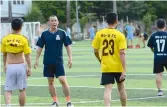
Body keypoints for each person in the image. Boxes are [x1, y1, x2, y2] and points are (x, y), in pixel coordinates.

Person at [34, 15, 74, 107]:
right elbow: (39, 48)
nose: (54, 22)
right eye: (52, 21)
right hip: (47, 62)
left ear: (58, 22)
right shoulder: (44, 34)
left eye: (55, 20)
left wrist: (70, 58)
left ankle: (69, 102)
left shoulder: (62, 33)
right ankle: (55, 102)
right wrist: (36, 60)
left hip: (58, 62)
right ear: (49, 22)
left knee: (62, 80)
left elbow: (68, 46)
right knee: (50, 82)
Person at [92, 12, 127, 107]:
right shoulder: (120, 35)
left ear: (106, 21)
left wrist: (100, 60)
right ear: (116, 21)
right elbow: (122, 53)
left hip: (106, 66)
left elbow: (95, 51)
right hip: (118, 67)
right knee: (121, 88)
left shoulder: (99, 33)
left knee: (108, 90)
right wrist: (124, 70)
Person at [1, 18, 32, 107]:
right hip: (21, 66)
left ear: (12, 26)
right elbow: (27, 55)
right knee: (22, 90)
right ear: (21, 27)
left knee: (8, 89)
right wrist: (29, 67)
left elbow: (4, 55)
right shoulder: (24, 39)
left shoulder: (5, 39)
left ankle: (8, 105)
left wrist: (4, 65)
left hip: (10, 66)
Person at [147, 18, 167, 96]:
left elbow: (150, 47)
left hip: (157, 57)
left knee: (159, 74)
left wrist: (155, 52)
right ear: (165, 25)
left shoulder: (153, 35)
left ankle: (160, 91)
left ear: (157, 26)